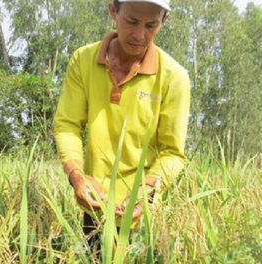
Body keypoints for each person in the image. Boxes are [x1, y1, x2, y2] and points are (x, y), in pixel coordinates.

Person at [53, 0, 191, 256]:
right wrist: (76, 175)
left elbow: (172, 153)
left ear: (165, 21)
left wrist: (145, 192)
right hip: (94, 206)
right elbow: (67, 125)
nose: (140, 35)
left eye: (151, 25)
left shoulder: (174, 77)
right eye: (131, 22)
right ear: (113, 11)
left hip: (145, 213)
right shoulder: (83, 61)